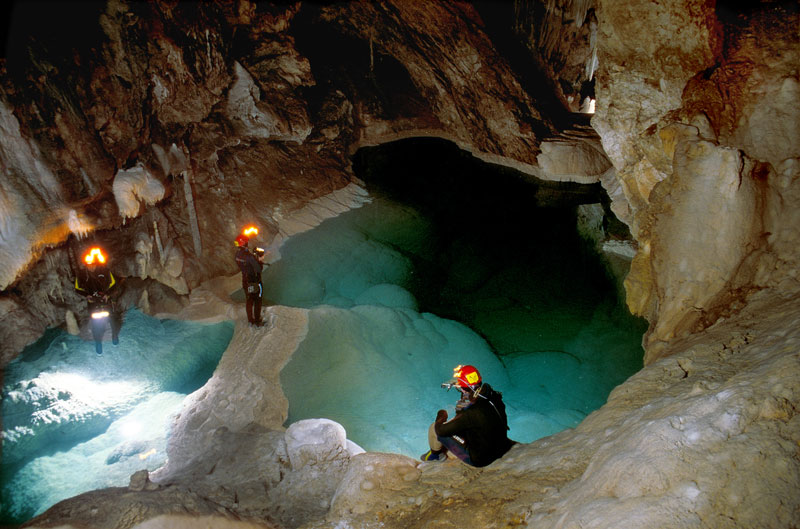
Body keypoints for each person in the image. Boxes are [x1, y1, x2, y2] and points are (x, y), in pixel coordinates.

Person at [420, 364, 514, 467]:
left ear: (463, 389)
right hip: (502, 447)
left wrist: (440, 416)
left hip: (482, 459)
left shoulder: (471, 412)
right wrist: (464, 400)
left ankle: (435, 456)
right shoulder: (493, 396)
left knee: (434, 428)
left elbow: (441, 430)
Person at [74, 246, 122, 355]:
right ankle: (98, 342)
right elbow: (77, 288)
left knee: (112, 320)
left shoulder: (105, 271)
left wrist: (107, 295)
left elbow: (114, 284)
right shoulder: (82, 275)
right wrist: (87, 295)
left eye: (94, 264)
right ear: (86, 264)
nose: (92, 267)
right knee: (96, 324)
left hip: (105, 301)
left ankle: (114, 336)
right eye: (90, 265)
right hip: (92, 303)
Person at [235, 233, 265, 326]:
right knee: (258, 299)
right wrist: (259, 260)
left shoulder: (237, 255)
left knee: (249, 299)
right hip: (255, 281)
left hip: (246, 280)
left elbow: (246, 265)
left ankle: (250, 320)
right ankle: (257, 321)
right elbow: (259, 269)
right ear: (245, 243)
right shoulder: (250, 257)